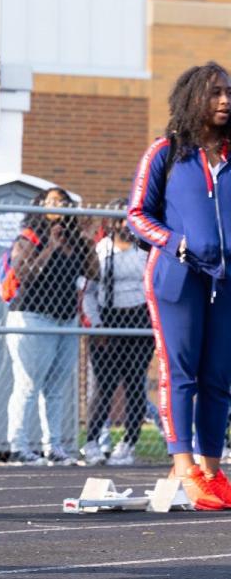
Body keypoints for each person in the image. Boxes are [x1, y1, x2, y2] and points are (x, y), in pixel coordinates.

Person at [128, 61, 231, 509]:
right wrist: (178, 244)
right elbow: (136, 215)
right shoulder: (165, 153)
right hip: (177, 280)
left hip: (226, 284)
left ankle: (212, 468)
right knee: (181, 372)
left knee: (219, 378)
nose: (225, 100)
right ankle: (184, 465)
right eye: (214, 93)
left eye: (228, 92)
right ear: (192, 99)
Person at [5, 187, 97, 466]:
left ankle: (53, 446)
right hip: (33, 317)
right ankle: (17, 447)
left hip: (65, 319)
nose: (58, 205)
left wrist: (89, 240)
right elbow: (22, 273)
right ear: (41, 205)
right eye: (52, 200)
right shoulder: (30, 237)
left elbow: (94, 273)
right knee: (28, 384)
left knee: (56, 387)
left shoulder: (76, 240)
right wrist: (51, 248)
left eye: (63, 201)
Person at [80, 198, 154, 466]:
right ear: (110, 223)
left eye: (129, 219)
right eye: (120, 219)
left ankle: (128, 443)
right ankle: (91, 443)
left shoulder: (144, 252)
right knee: (105, 385)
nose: (125, 224)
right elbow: (87, 293)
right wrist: (97, 325)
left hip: (138, 318)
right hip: (107, 321)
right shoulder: (100, 251)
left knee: (135, 383)